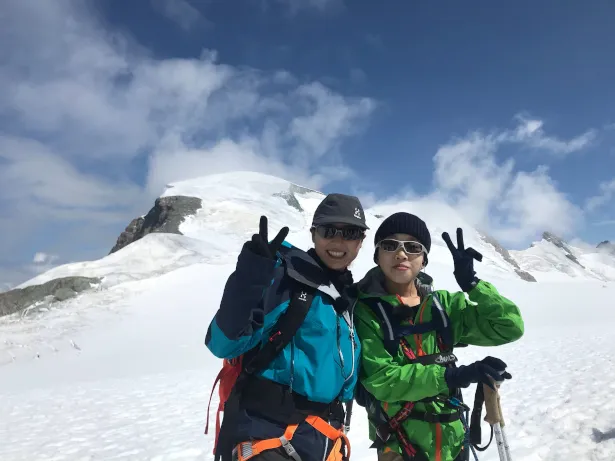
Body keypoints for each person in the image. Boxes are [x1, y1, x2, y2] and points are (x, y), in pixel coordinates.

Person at [205, 193, 368, 461]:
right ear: (314, 233)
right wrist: (250, 278)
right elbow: (224, 343)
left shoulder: (350, 298)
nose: (339, 241)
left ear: (361, 241)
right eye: (329, 231)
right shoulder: (284, 278)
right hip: (267, 436)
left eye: (350, 233)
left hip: (324, 440)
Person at [353, 212, 524, 461]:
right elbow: (382, 380)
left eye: (413, 247)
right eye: (390, 245)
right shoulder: (366, 310)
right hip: (401, 446)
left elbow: (509, 327)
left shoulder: (443, 306)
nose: (401, 254)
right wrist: (454, 375)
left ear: (423, 260)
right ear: (377, 256)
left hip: (453, 441)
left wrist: (473, 285)